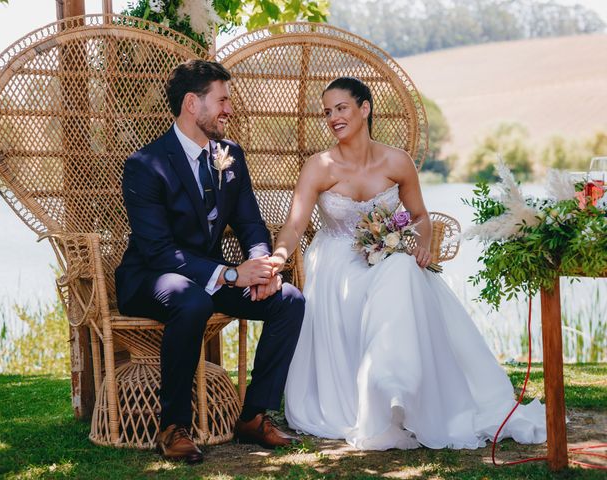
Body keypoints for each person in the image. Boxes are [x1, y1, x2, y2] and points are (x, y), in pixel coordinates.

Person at [270, 77, 546, 450]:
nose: (333, 117)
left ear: (364, 108)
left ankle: (400, 384)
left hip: (387, 255)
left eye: (341, 108)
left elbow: (419, 216)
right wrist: (279, 256)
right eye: (327, 112)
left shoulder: (396, 161)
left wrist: (421, 244)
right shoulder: (319, 167)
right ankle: (385, 391)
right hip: (337, 264)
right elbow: (294, 224)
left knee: (404, 271)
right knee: (398, 277)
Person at [115, 60, 305, 463]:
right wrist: (232, 274)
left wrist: (262, 266)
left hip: (209, 280)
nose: (229, 109)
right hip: (152, 279)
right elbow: (158, 250)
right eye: (222, 100)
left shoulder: (230, 155)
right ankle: (172, 427)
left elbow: (251, 223)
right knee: (192, 299)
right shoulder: (145, 165)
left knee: (289, 300)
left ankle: (254, 415)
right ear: (191, 103)